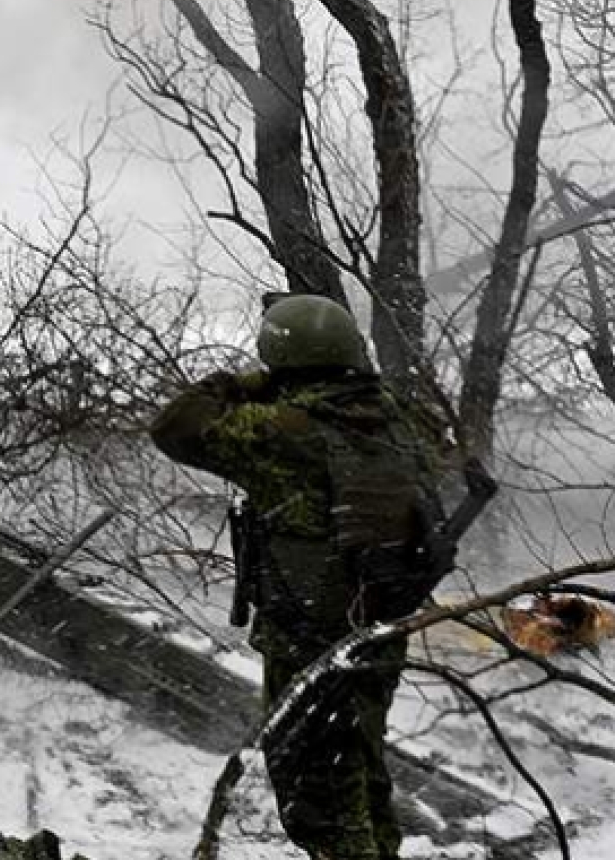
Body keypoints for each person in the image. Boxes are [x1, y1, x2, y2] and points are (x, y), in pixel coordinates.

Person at [150, 295, 448, 860]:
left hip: (309, 635)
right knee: (358, 763)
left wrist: (246, 382)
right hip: (380, 624)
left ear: (282, 359)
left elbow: (175, 426)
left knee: (318, 794)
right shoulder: (403, 422)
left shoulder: (288, 431)